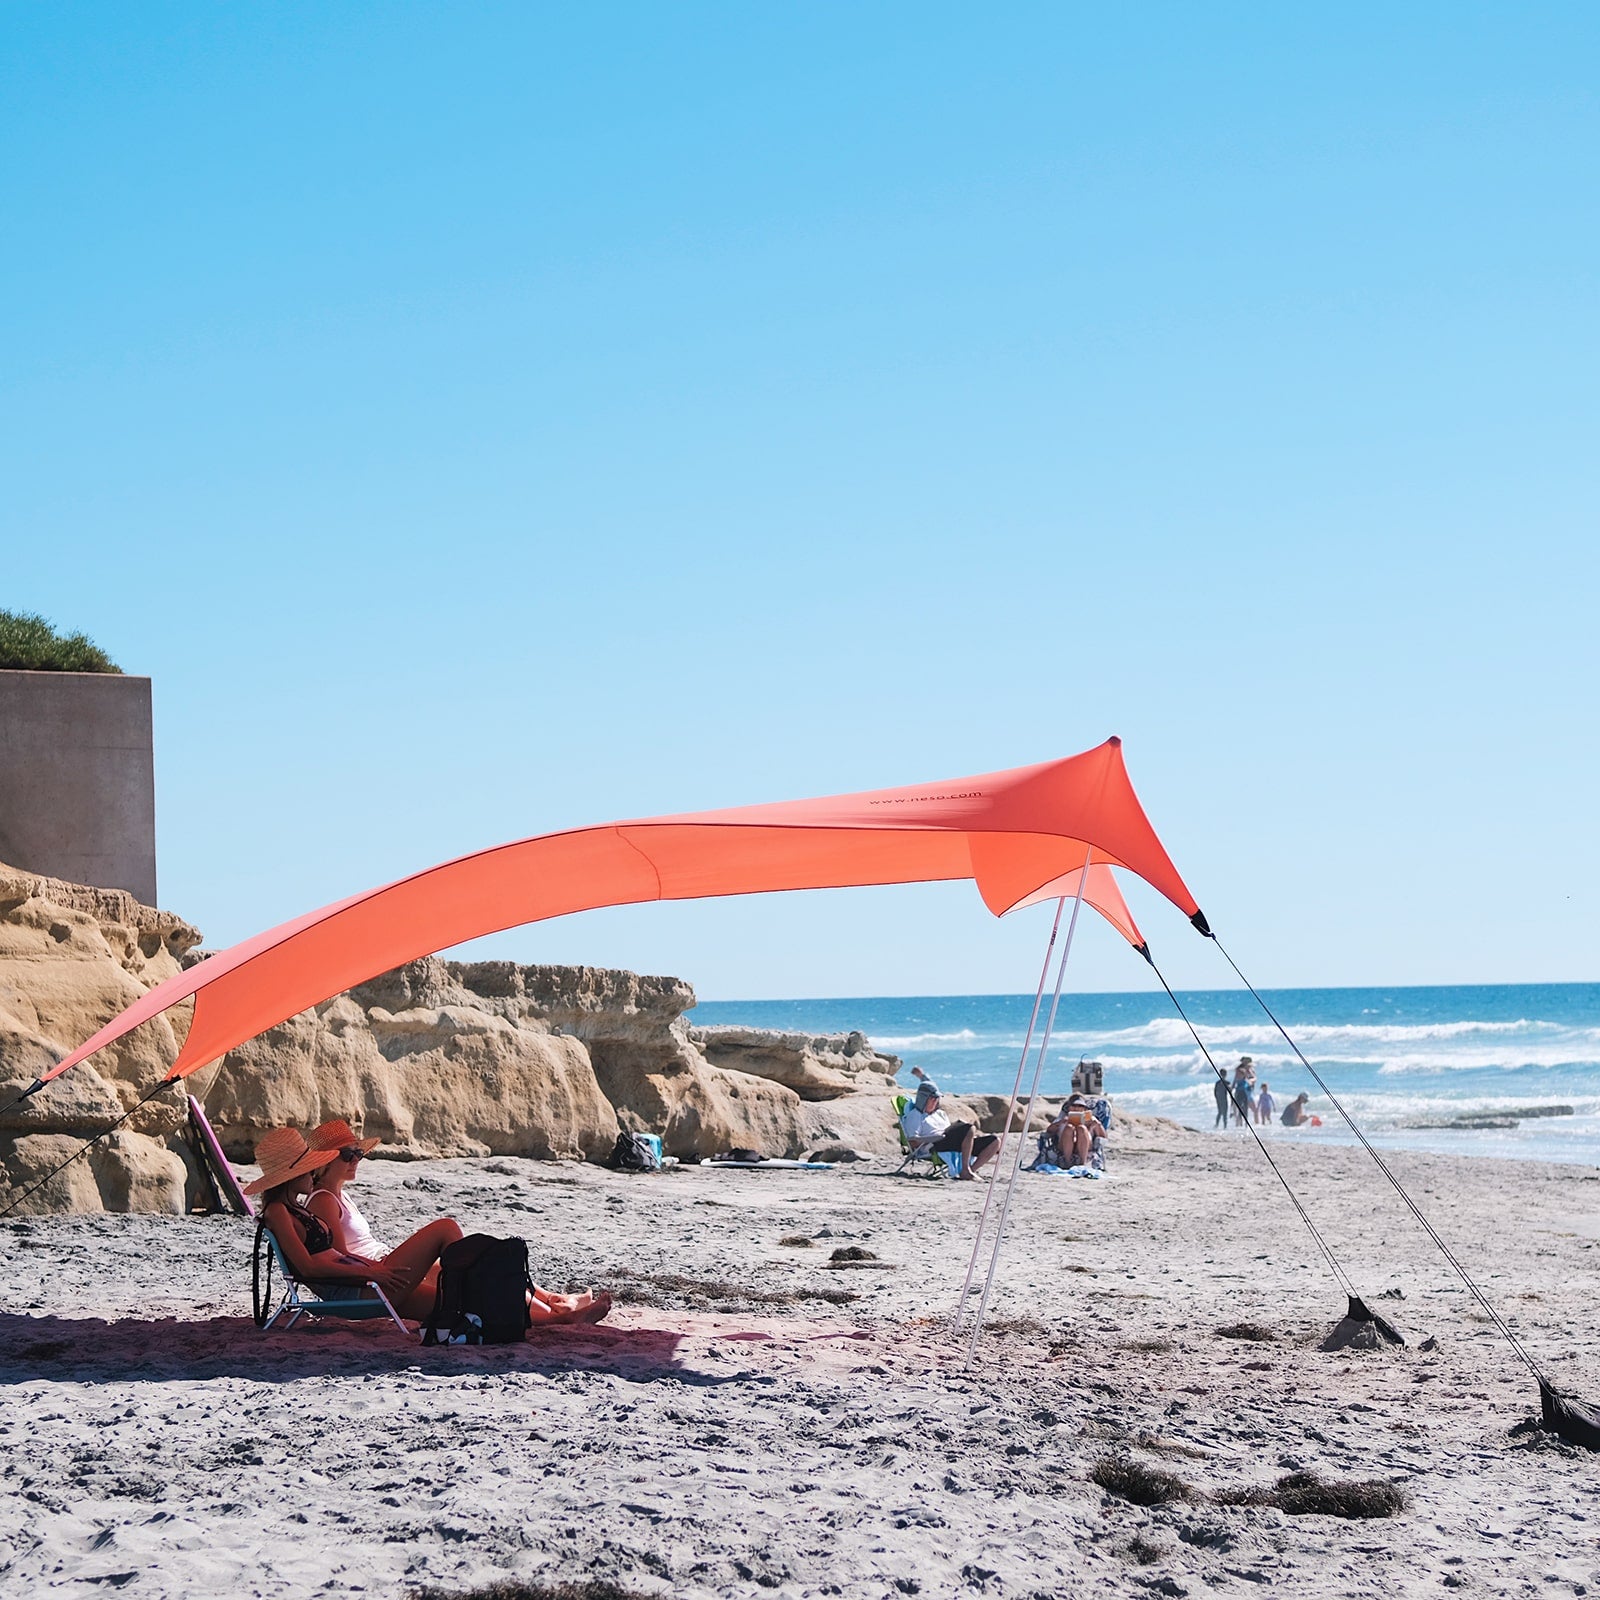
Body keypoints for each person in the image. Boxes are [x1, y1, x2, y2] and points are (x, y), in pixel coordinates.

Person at [304, 1119, 610, 1325]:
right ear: (326, 1161)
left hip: (382, 1270)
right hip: (377, 1277)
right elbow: (341, 1260)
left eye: (358, 1153)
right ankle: (557, 1317)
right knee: (449, 1237)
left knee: (472, 1271)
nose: (356, 1159)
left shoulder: (339, 1196)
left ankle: (555, 1302)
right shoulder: (322, 1201)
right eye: (348, 1154)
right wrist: (380, 1272)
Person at [245, 1126, 461, 1321]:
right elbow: (307, 1268)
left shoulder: (295, 1208)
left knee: (456, 1304)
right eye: (308, 1168)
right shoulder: (278, 1211)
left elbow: (335, 1255)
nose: (313, 1173)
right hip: (351, 1290)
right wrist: (369, 1273)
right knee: (445, 1227)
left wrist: (373, 1268)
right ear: (291, 1176)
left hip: (362, 1281)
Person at [899, 1077, 998, 1180]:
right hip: (934, 1145)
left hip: (950, 1143)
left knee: (994, 1141)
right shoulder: (915, 1115)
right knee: (969, 1128)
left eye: (937, 1098)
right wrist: (934, 1138)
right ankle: (965, 1170)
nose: (935, 1101)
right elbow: (913, 1141)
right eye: (932, 1098)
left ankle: (970, 1170)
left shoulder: (940, 1114)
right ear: (923, 1099)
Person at [1046, 1095, 1107, 1168]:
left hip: (1086, 1147)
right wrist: (1060, 1123)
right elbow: (1049, 1131)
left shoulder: (1090, 1119)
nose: (1077, 1108)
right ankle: (1067, 1162)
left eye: (1080, 1106)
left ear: (1084, 1108)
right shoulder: (1063, 1118)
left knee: (1081, 1128)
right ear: (1069, 1107)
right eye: (1074, 1105)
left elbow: (1103, 1137)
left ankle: (1082, 1163)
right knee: (1069, 1128)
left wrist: (1097, 1125)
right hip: (1064, 1146)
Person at [1231, 1057, 1256, 1127]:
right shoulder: (1240, 1069)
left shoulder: (1248, 1070)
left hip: (1246, 1091)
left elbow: (1253, 1078)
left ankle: (1246, 1124)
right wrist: (1232, 1087)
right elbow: (1235, 1079)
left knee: (1246, 1108)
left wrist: (1250, 1081)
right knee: (1239, 1108)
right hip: (1241, 1091)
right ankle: (1238, 1123)